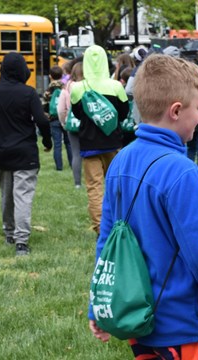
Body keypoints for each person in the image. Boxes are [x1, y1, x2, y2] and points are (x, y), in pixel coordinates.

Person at [88, 54, 198, 358]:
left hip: (137, 317)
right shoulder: (183, 173)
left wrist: (99, 303)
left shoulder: (121, 160)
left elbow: (107, 244)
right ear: (175, 111)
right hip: (181, 325)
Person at [0, 52, 52, 256]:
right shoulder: (28, 93)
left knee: (7, 196)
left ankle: (9, 233)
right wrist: (47, 140)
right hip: (25, 153)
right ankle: (22, 242)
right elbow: (42, 120)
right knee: (23, 197)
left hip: (0, 152)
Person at [70, 45, 129, 235]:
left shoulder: (78, 88)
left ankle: (100, 228)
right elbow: (123, 113)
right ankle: (122, 222)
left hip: (89, 145)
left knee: (94, 188)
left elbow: (77, 114)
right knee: (118, 186)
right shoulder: (116, 86)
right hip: (113, 143)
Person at [58, 58, 84, 189]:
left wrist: (64, 122)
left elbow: (61, 109)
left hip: (72, 122)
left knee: (76, 153)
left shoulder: (66, 88)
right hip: (87, 123)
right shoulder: (87, 86)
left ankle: (78, 183)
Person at [43, 65, 72, 171]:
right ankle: (72, 164)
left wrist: (48, 117)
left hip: (54, 119)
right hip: (65, 117)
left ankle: (59, 167)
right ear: (61, 75)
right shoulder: (66, 87)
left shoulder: (48, 90)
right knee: (69, 143)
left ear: (50, 76)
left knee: (57, 144)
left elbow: (44, 106)